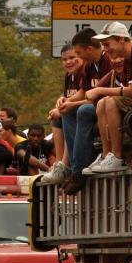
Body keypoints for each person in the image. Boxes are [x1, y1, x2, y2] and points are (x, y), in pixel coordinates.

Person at [81, 21, 132, 174]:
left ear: (121, 39)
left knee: (111, 102)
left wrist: (99, 90)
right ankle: (108, 155)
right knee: (102, 103)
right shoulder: (126, 57)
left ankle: (118, 157)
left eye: (107, 44)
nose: (105, 50)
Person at [59, 28, 113, 194]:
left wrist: (74, 104)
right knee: (65, 112)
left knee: (83, 111)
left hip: (105, 105)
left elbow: (97, 96)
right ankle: (67, 165)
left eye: (79, 53)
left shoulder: (107, 61)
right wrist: (65, 102)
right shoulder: (90, 65)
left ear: (89, 49)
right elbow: (84, 91)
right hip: (93, 104)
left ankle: (79, 170)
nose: (79, 58)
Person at [40, 45, 83, 185]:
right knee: (56, 117)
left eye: (72, 58)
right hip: (73, 111)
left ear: (80, 57)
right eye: (65, 59)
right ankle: (60, 162)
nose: (68, 62)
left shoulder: (84, 73)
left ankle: (66, 164)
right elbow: (68, 96)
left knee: (64, 114)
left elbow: (87, 95)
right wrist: (61, 101)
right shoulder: (69, 76)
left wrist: (64, 106)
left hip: (84, 112)